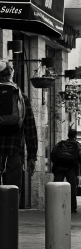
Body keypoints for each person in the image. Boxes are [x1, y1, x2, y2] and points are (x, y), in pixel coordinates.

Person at [0, 60, 38, 194]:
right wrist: (32, 156)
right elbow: (30, 128)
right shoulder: (21, 97)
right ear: (11, 75)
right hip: (14, 150)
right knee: (12, 193)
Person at [51, 129, 81, 213]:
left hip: (59, 168)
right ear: (75, 136)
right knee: (72, 188)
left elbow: (53, 154)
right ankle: (72, 208)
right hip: (71, 168)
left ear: (68, 135)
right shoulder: (77, 145)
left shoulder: (60, 143)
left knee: (56, 187)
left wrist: (56, 163)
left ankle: (54, 206)